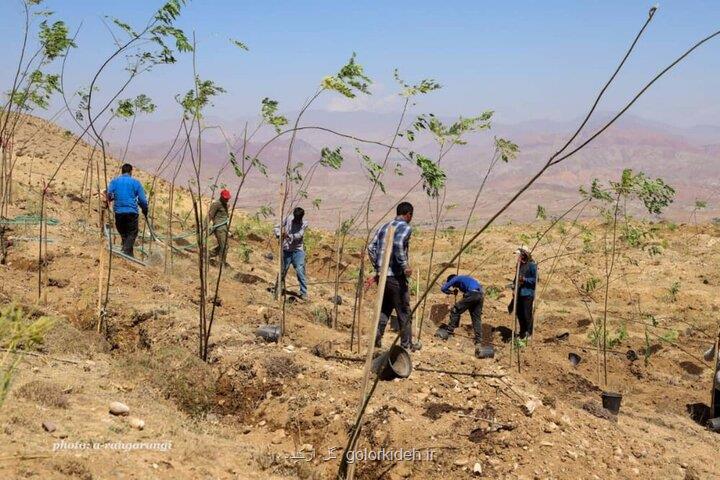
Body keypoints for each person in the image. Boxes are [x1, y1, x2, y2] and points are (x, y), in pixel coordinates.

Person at [368, 202, 414, 350]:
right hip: (395, 277)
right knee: (404, 311)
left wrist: (378, 265)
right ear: (408, 215)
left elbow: (371, 247)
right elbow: (399, 244)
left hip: (382, 277)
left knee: (385, 308)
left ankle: (376, 337)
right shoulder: (405, 227)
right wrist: (404, 266)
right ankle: (406, 345)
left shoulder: (384, 226)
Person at [435, 274, 492, 359]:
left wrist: (450, 292)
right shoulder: (467, 279)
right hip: (480, 296)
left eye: (454, 285)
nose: (454, 286)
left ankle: (449, 332)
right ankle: (478, 341)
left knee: (455, 310)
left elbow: (443, 288)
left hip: (472, 295)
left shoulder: (456, 278)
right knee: (476, 319)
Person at [107, 163, 148, 257]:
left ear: (122, 171)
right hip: (131, 212)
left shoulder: (114, 181)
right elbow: (142, 200)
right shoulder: (135, 182)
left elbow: (109, 195)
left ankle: (129, 256)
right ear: (130, 172)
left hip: (119, 212)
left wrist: (111, 198)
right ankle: (125, 252)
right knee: (132, 233)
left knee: (124, 234)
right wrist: (145, 209)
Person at [275, 206, 308, 300]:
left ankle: (303, 292)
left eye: (299, 219)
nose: (297, 220)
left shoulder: (304, 224)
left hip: (298, 250)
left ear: (301, 217)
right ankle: (278, 289)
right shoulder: (288, 218)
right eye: (296, 218)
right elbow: (277, 226)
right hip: (287, 249)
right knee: (283, 270)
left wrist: (288, 235)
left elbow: (299, 235)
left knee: (300, 269)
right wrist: (279, 234)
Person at [511, 246, 538, 339]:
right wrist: (514, 286)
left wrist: (525, 280)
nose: (517, 257)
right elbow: (516, 278)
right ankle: (522, 331)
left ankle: (529, 332)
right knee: (519, 313)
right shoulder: (519, 265)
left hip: (528, 293)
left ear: (524, 255)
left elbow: (536, 280)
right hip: (519, 293)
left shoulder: (532, 265)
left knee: (527, 314)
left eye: (519, 255)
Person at [208, 189, 231, 265]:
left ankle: (208, 254)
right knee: (224, 247)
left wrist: (228, 230)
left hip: (224, 228)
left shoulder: (225, 205)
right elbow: (210, 216)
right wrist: (204, 227)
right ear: (221, 197)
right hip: (219, 229)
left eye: (227, 198)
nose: (226, 199)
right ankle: (221, 265)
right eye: (225, 198)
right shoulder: (216, 204)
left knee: (225, 246)